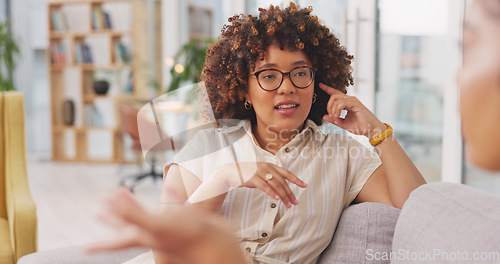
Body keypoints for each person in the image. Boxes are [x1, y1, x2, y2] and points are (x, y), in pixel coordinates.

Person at [89, 3, 428, 264]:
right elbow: (166, 255)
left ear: (317, 81)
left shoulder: (343, 154)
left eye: (300, 73)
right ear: (244, 89)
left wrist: (378, 132)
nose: (287, 88)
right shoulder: (207, 146)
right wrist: (223, 178)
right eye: (268, 76)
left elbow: (419, 214)